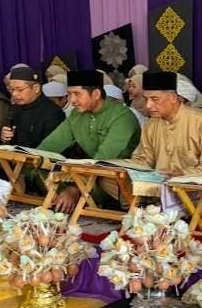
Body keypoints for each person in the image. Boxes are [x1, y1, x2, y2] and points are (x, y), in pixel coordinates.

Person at [38, 70, 142, 212]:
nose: (71, 100)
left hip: (121, 181)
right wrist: (31, 163)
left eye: (77, 94)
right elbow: (50, 145)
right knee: (43, 167)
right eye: (69, 94)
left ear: (96, 95)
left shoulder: (122, 117)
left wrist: (75, 189)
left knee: (102, 176)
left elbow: (104, 158)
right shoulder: (77, 115)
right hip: (90, 173)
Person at [131, 71, 202, 176]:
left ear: (173, 97)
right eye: (146, 99)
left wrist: (184, 173)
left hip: (192, 188)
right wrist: (128, 166)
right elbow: (144, 159)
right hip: (157, 186)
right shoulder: (150, 125)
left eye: (154, 99)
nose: (148, 105)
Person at [0, 67, 66, 148]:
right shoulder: (14, 109)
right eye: (12, 90)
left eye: (19, 90)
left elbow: (53, 149)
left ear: (36, 88)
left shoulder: (53, 113)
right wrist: (3, 137)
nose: (14, 94)